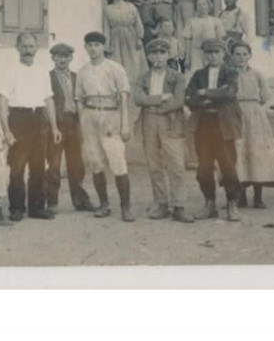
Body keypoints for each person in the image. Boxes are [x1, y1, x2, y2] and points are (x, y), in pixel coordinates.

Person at [0, 31, 60, 221]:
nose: (28, 50)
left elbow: (48, 100)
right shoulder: (10, 71)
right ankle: (16, 208)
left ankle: (36, 208)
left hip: (39, 120)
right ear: (17, 48)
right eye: (24, 46)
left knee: (39, 166)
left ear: (36, 48)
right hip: (18, 119)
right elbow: (2, 103)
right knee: (17, 166)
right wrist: (6, 130)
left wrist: (55, 127)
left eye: (31, 46)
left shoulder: (42, 70)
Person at [133, 37, 194, 223]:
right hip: (149, 121)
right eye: (154, 54)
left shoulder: (177, 77)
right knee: (154, 164)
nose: (158, 57)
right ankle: (161, 203)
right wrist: (160, 98)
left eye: (162, 53)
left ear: (168, 55)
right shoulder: (143, 77)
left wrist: (155, 104)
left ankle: (179, 205)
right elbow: (138, 98)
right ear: (149, 57)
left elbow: (177, 100)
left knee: (176, 164)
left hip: (170, 120)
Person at [75, 31, 134, 222]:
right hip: (90, 116)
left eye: (97, 45)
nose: (93, 48)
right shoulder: (83, 71)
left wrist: (125, 123)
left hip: (110, 115)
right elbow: (79, 99)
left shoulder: (115, 68)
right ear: (85, 48)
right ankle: (104, 204)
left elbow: (124, 97)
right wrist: (83, 119)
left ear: (103, 46)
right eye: (89, 45)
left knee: (117, 161)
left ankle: (126, 207)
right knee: (95, 162)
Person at [185, 38, 242, 221]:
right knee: (203, 169)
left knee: (228, 167)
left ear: (223, 54)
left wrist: (205, 93)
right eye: (209, 53)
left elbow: (230, 93)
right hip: (204, 124)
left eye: (216, 52)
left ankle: (232, 203)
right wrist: (214, 95)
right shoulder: (198, 75)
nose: (213, 56)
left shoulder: (230, 73)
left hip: (223, 125)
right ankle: (209, 203)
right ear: (204, 55)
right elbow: (189, 98)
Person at [228, 41, 274, 208]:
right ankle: (241, 195)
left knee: (257, 153)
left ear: (249, 56)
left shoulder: (257, 75)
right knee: (238, 152)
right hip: (235, 114)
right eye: (237, 54)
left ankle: (258, 197)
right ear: (232, 56)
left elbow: (265, 95)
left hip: (255, 115)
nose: (241, 57)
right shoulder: (229, 74)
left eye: (244, 54)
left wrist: (254, 107)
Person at [46, 43, 93, 212]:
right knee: (54, 164)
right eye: (58, 56)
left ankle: (80, 201)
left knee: (77, 164)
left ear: (70, 58)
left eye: (65, 56)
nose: (62, 60)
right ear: (53, 58)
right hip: (57, 124)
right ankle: (51, 202)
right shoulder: (47, 77)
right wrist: (52, 126)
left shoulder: (76, 77)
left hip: (74, 122)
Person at [103, 0, 145, 88]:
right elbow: (106, 27)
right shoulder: (108, 9)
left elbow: (137, 23)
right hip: (115, 38)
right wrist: (107, 44)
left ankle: (134, 88)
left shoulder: (130, 7)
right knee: (117, 63)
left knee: (133, 62)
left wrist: (139, 38)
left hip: (131, 36)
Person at [183, 0, 223, 78]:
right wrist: (187, 57)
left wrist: (219, 55)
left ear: (208, 6)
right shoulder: (191, 21)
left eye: (204, 4)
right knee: (195, 73)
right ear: (196, 7)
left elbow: (219, 39)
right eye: (199, 5)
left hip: (211, 52)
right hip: (195, 53)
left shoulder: (215, 21)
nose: (202, 7)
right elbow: (188, 40)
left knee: (210, 73)